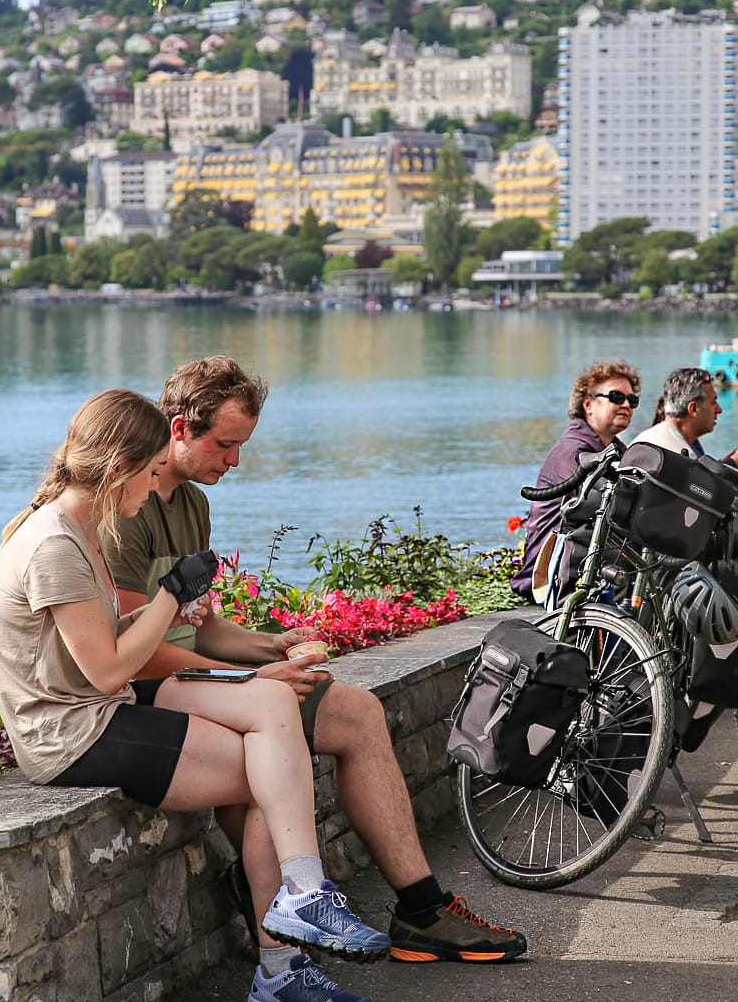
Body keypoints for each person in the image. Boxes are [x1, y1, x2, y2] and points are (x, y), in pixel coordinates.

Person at [0, 387, 391, 1002]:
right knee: (269, 781)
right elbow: (110, 667)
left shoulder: (77, 523)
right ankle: (283, 966)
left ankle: (304, 897)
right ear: (119, 467)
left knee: (271, 701)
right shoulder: (56, 543)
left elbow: (106, 636)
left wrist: (175, 611)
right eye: (147, 473)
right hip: (72, 731)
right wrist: (171, 598)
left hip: (101, 703)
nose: (152, 486)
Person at [106, 357, 527, 967]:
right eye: (226, 444)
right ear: (178, 429)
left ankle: (418, 908)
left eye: (241, 445)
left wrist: (270, 645)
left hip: (207, 681)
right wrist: (251, 678)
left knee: (356, 711)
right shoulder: (127, 511)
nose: (235, 461)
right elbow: (134, 655)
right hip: (158, 694)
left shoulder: (192, 505)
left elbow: (198, 627)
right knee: (286, 728)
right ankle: (284, 905)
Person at [512, 358, 642, 602]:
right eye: (616, 396)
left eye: (632, 400)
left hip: (584, 561)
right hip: (552, 572)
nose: (626, 404)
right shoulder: (573, 448)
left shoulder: (614, 448)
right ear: (588, 404)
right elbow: (601, 498)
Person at [633, 368, 738, 468]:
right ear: (693, 409)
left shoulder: (643, 440)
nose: (719, 410)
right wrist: (731, 464)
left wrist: (721, 467)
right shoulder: (683, 458)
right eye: (713, 402)